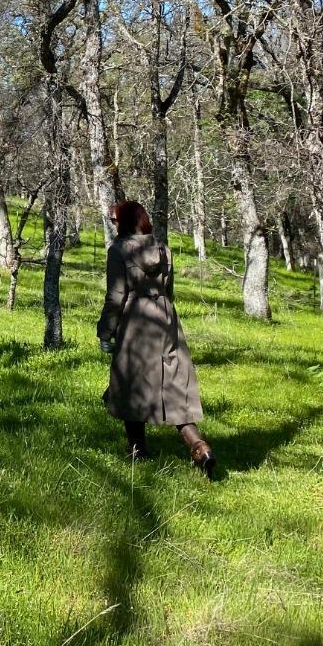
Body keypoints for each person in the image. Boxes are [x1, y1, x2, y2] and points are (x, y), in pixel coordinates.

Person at [96, 199, 215, 477]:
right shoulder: (163, 249)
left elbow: (115, 296)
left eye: (115, 220)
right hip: (165, 320)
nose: (113, 224)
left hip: (135, 321)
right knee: (173, 385)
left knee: (130, 383)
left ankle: (138, 450)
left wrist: (105, 331)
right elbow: (169, 289)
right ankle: (200, 447)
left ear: (124, 222)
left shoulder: (118, 251)